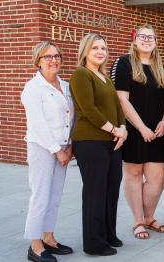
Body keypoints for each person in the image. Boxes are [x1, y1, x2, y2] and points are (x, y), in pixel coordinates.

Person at [111, 24, 164, 240]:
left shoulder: (161, 68)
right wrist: (141, 128)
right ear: (134, 39)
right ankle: (138, 220)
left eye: (151, 37)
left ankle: (149, 217)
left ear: (155, 42)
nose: (146, 40)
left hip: (158, 132)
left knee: (157, 179)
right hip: (134, 131)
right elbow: (121, 99)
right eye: (142, 36)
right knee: (134, 175)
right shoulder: (124, 63)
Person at [70, 33, 127, 256]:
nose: (100, 52)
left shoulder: (104, 77)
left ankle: (108, 234)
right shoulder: (81, 75)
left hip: (112, 143)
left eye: (103, 48)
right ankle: (94, 243)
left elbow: (117, 106)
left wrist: (122, 130)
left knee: (111, 190)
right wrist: (114, 129)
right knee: (95, 192)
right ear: (85, 51)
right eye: (95, 48)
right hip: (91, 142)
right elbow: (88, 109)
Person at [22, 41, 74, 262]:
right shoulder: (32, 88)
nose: (54, 60)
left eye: (57, 56)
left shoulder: (66, 85)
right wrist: (57, 151)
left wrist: (69, 145)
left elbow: (72, 117)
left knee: (54, 196)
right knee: (41, 196)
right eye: (47, 57)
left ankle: (49, 238)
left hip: (63, 146)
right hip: (42, 147)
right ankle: (35, 246)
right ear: (38, 61)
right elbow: (38, 124)